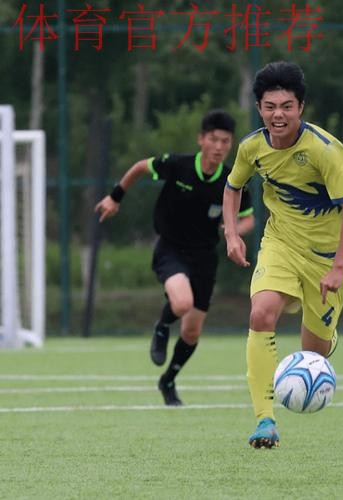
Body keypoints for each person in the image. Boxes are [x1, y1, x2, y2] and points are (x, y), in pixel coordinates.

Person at [222, 61, 343, 449]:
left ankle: (327, 337)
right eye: (270, 107)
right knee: (261, 313)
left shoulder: (325, 151)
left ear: (301, 107)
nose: (278, 115)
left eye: (287, 106)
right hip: (280, 245)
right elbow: (233, 186)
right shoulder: (252, 147)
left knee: (314, 352)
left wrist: (338, 268)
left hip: (326, 259)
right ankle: (264, 420)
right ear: (259, 108)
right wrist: (232, 234)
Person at [95, 110, 255, 407]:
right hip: (171, 249)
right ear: (201, 139)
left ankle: (168, 380)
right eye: (214, 139)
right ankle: (161, 326)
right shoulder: (178, 165)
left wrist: (232, 231)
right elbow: (140, 167)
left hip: (205, 257)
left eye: (225, 141)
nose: (219, 146)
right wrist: (115, 197)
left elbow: (248, 219)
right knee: (181, 303)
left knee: (192, 332)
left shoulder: (232, 180)